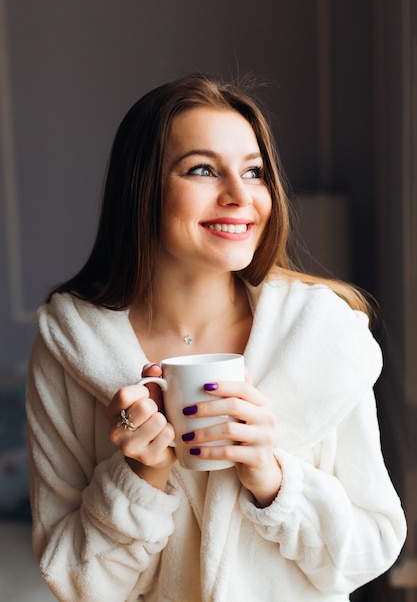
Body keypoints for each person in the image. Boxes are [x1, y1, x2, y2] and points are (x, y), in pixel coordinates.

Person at [26, 73, 406, 602]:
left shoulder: (324, 337)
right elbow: (71, 579)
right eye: (202, 169)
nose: (238, 196)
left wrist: (273, 480)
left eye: (254, 172)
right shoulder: (71, 349)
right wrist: (139, 477)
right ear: (143, 189)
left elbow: (374, 545)